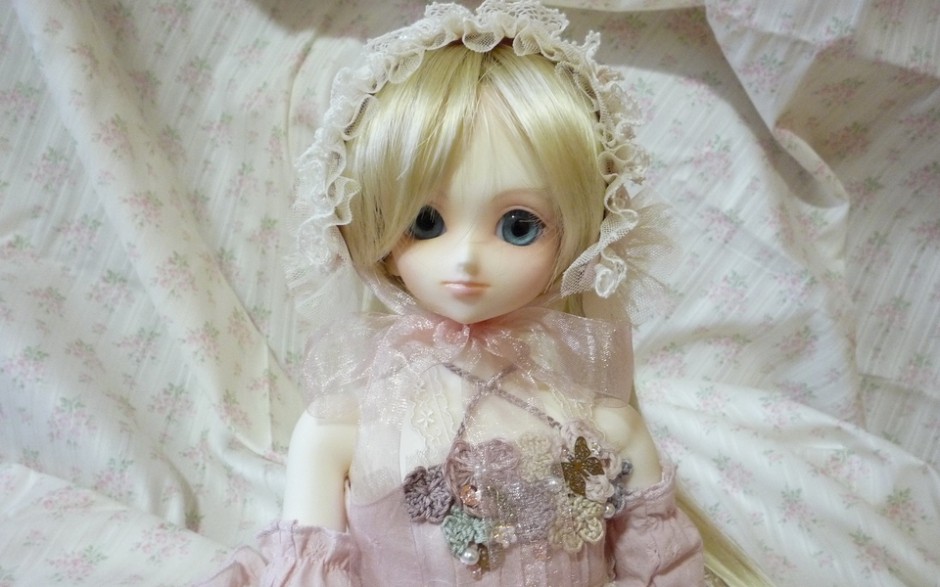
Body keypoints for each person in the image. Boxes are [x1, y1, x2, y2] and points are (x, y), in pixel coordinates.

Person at [200, 1, 765, 585]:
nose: (467, 258)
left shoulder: (605, 427)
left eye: (519, 226)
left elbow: (664, 569)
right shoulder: (341, 432)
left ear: (583, 236)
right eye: (425, 222)